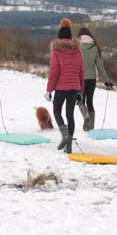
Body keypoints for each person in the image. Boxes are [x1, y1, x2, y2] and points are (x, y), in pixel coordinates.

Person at [45, 18, 84, 153]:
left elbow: (54, 71)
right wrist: (80, 91)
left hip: (61, 88)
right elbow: (81, 72)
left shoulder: (56, 51)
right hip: (74, 87)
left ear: (59, 37)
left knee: (56, 111)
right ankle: (69, 147)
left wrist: (49, 90)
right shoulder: (78, 51)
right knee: (70, 115)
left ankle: (66, 135)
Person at [76, 27, 114, 131]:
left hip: (80, 79)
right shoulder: (94, 46)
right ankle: (91, 127)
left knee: (80, 101)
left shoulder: (76, 46)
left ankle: (85, 117)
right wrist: (107, 81)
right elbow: (100, 66)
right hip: (92, 79)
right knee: (90, 102)